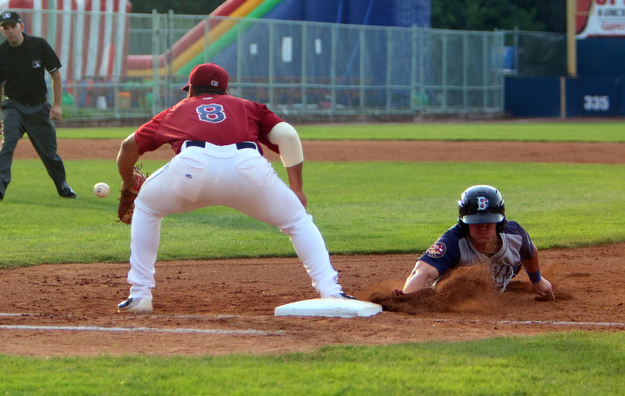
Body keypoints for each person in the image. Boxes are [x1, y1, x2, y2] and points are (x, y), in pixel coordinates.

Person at [116, 62, 354, 314]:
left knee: (147, 206)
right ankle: (332, 292)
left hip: (192, 169)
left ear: (191, 90)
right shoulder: (247, 106)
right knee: (297, 220)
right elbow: (288, 135)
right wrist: (296, 189)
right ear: (225, 92)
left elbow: (128, 146)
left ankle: (139, 294)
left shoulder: (176, 110)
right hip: (248, 169)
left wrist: (129, 182)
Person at [395, 185, 555, 300]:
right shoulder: (452, 242)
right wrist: (407, 298)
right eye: (476, 221)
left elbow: (530, 251)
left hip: (505, 267)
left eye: (489, 221)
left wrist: (537, 280)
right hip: (460, 294)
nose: (483, 227)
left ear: (500, 222)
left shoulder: (515, 235)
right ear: (464, 223)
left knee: (514, 258)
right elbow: (422, 272)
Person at [0, 11, 76, 201]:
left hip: (39, 108)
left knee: (49, 154)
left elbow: (55, 74)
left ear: (21, 27)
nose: (10, 31)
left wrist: (57, 105)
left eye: (13, 26)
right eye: (5, 28)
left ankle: (63, 187)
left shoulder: (38, 45)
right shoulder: (1, 52)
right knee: (5, 146)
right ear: (2, 31)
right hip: (13, 107)